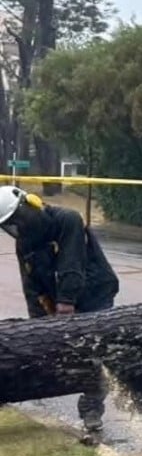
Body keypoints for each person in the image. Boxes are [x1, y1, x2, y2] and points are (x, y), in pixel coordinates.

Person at [0, 185, 120, 432]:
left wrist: (65, 304)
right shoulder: (25, 243)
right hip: (61, 300)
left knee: (97, 352)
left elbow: (71, 265)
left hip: (95, 293)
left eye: (17, 220)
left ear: (30, 205)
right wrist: (38, 325)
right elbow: (31, 285)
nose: (17, 227)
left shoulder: (67, 220)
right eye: (10, 224)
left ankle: (91, 409)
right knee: (57, 356)